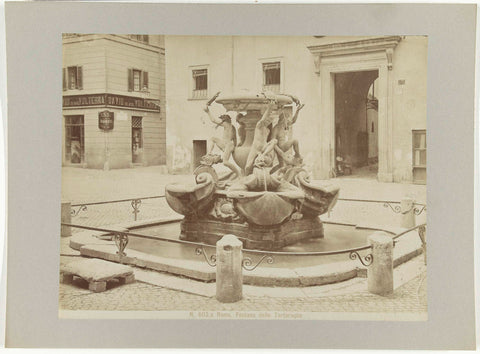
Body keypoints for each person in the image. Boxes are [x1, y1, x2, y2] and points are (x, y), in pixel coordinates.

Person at [203, 106, 241, 179]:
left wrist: (208, 111)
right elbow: (235, 139)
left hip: (228, 145)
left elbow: (213, 120)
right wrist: (235, 147)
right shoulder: (232, 127)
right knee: (213, 139)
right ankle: (211, 154)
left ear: (224, 120)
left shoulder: (226, 124)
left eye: (221, 120)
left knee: (225, 162)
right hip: (227, 145)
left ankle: (237, 173)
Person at [270, 100, 305, 174]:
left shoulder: (284, 126)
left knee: (281, 166)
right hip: (280, 148)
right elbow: (272, 142)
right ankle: (297, 155)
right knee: (295, 141)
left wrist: (297, 111)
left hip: (283, 147)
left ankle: (270, 173)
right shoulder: (276, 128)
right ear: (284, 119)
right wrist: (281, 153)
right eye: (288, 118)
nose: (289, 120)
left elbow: (293, 121)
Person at [244, 100, 278, 175]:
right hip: (256, 147)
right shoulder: (259, 125)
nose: (268, 121)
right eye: (268, 120)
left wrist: (280, 109)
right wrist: (269, 108)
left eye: (270, 121)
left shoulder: (268, 130)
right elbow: (263, 119)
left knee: (274, 141)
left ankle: (263, 155)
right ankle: (246, 178)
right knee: (247, 166)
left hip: (264, 147)